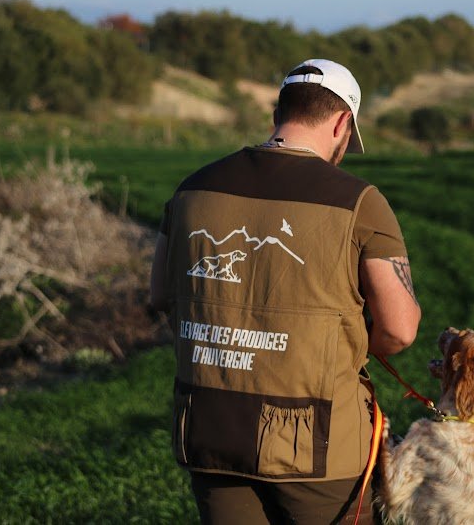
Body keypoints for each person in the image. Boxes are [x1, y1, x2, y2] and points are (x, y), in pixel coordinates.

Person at [150, 58, 421, 524]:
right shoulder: (359, 202)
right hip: (317, 446)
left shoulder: (191, 190)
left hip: (209, 426)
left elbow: (160, 297)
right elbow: (399, 329)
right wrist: (342, 347)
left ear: (278, 114)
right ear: (341, 123)